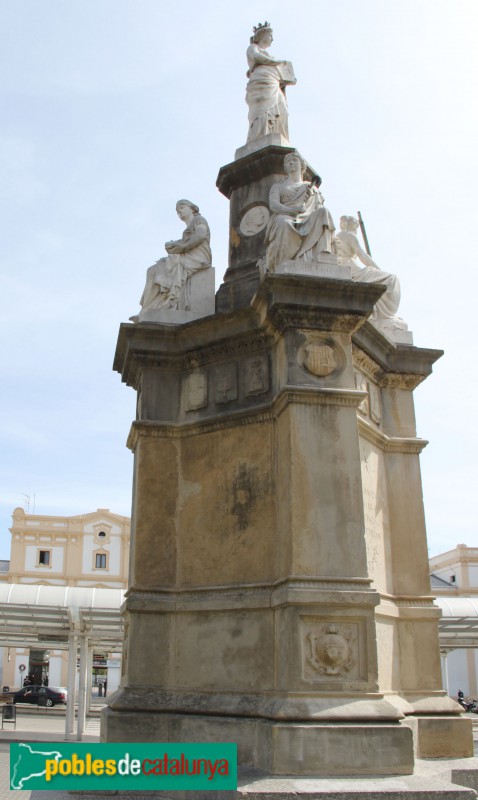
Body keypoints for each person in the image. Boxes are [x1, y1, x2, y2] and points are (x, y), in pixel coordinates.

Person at [264, 152, 335, 273]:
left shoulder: (310, 188)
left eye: (294, 160)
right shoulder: (278, 186)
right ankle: (283, 263)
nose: (291, 163)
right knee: (283, 222)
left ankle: (324, 254)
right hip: (286, 215)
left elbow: (318, 207)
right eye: (288, 162)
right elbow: (274, 205)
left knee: (324, 212)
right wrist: (291, 210)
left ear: (302, 165)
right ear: (285, 168)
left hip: (306, 217)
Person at [138, 200, 211, 312]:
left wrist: (180, 246)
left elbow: (201, 235)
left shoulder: (199, 220)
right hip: (189, 255)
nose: (179, 212)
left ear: (191, 208)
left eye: (181, 208)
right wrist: (175, 245)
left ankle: (156, 307)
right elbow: (187, 241)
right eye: (177, 211)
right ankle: (149, 308)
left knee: (160, 268)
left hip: (199, 257)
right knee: (152, 270)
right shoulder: (189, 227)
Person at [335, 216, 405, 328]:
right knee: (391, 279)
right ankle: (383, 316)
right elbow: (362, 255)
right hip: (352, 271)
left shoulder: (338, 235)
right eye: (355, 225)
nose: (356, 229)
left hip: (347, 269)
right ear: (352, 225)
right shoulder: (350, 236)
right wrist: (378, 269)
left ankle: (378, 314)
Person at [245, 22, 294, 143]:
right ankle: (258, 137)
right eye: (270, 35)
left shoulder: (271, 58)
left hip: (274, 81)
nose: (272, 39)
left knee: (281, 107)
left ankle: (276, 134)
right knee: (263, 108)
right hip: (262, 79)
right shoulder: (253, 47)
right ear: (263, 35)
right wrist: (276, 62)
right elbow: (255, 57)